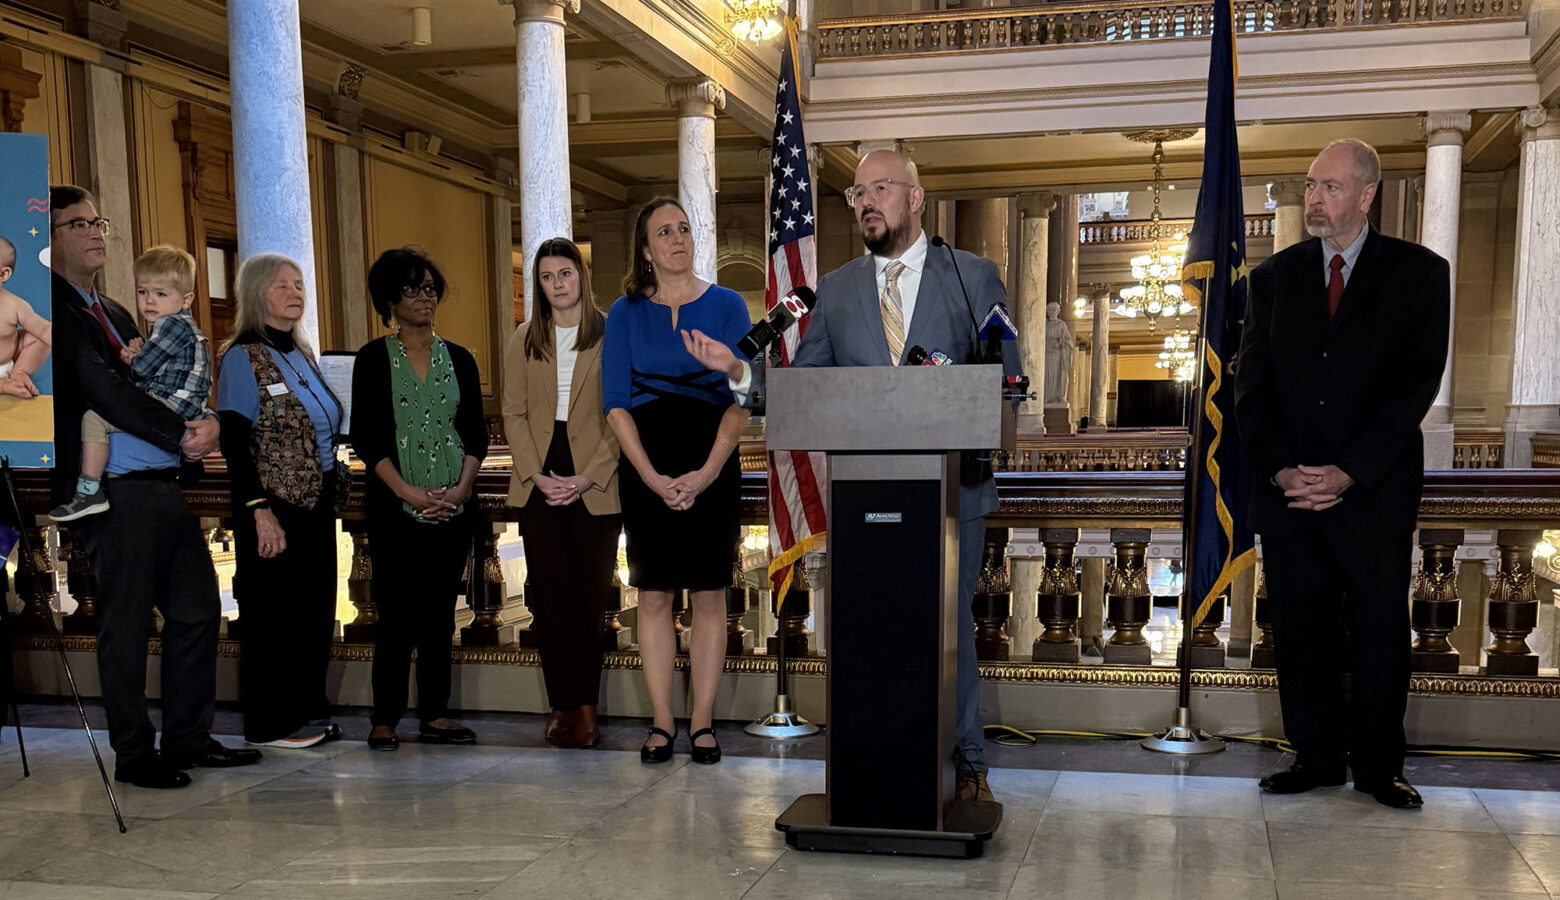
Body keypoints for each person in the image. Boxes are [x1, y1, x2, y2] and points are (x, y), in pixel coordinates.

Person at [786, 149, 1019, 802]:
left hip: (955, 491)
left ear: (916, 198)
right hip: (866, 493)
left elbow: (1008, 377)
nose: (865, 201)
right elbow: (807, 383)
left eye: (879, 188)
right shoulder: (834, 290)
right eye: (856, 192)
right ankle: (874, 756)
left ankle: (966, 762)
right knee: (871, 625)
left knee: (949, 627)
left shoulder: (973, 277)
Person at [1235, 139, 1450, 811]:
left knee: (1381, 628)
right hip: (1291, 494)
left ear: (1365, 195)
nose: (1315, 199)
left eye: (1329, 187)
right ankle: (1317, 757)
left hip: (1373, 494)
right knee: (1300, 625)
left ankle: (1380, 768)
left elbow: (1414, 386)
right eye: (1309, 186)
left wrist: (1349, 472)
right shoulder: (1272, 279)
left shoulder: (1420, 273)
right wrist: (1281, 470)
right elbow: (1250, 388)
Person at [46, 184, 258, 788]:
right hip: (114, 490)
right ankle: (136, 752)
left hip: (164, 483)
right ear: (50, 237)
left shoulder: (117, 312)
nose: (95, 232)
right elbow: (105, 393)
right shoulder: (54, 312)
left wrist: (209, 425)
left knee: (195, 612)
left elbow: (174, 381)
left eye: (98, 221)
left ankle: (188, 738)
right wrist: (179, 433)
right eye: (77, 223)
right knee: (128, 624)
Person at [603, 197, 753, 765]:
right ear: (645, 251)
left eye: (684, 228)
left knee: (711, 593)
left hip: (711, 460)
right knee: (655, 595)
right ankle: (663, 723)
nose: (678, 238)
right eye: (664, 232)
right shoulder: (624, 313)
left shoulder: (727, 305)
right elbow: (615, 404)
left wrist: (708, 471)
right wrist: (652, 477)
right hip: (646, 466)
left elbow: (744, 397)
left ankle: (703, 722)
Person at [351, 246, 488, 752]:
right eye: (412, 289)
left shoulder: (461, 359)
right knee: (394, 614)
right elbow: (367, 437)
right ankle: (384, 717)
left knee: (438, 615)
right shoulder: (372, 359)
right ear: (390, 300)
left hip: (453, 507)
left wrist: (461, 489)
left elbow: (475, 431)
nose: (424, 298)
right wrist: (408, 492)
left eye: (430, 288)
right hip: (394, 507)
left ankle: (435, 714)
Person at [217, 253, 346, 750]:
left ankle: (307, 709)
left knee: (312, 612)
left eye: (299, 285)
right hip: (273, 506)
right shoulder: (241, 357)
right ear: (255, 294)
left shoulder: (300, 353)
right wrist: (257, 510)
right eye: (281, 285)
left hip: (315, 503)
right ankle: (272, 723)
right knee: (275, 617)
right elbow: (234, 443)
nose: (295, 292)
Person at [503, 237, 622, 748]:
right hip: (540, 479)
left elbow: (622, 414)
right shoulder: (524, 338)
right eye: (548, 278)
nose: (557, 285)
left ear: (581, 276)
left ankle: (589, 710)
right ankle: (560, 707)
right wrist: (536, 473)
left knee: (590, 600)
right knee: (549, 602)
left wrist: (587, 476)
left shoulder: (611, 334)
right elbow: (512, 412)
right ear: (539, 285)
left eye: (565, 274)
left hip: (595, 481)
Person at [50, 246, 211, 522]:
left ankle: (88, 490)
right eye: (142, 292)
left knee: (94, 421)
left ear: (187, 299)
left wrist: (133, 357)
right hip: (132, 478)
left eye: (160, 294)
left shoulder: (162, 324)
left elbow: (142, 370)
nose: (149, 300)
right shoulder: (58, 309)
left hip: (162, 436)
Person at [0, 236, 52, 398]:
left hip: (6, 366)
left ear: (3, 274)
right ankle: (3, 386)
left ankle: (19, 372)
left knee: (38, 336)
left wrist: (72, 348)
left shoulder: (13, 305)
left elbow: (44, 329)